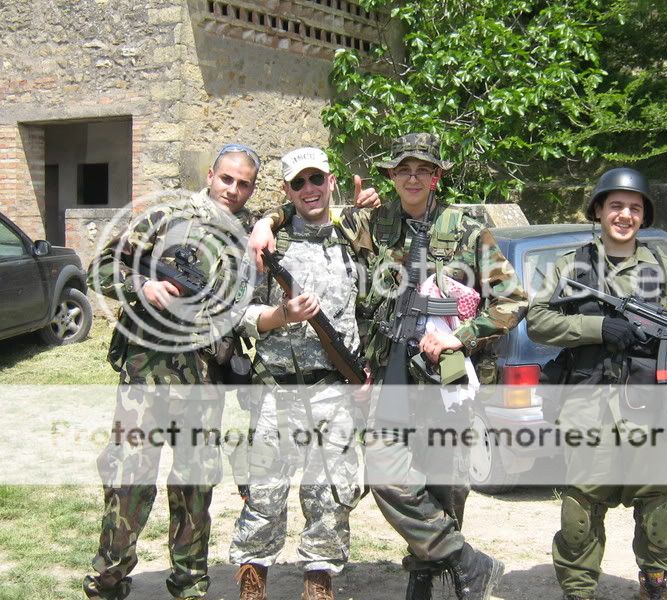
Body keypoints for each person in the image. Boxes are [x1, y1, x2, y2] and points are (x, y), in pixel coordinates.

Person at [249, 133, 528, 600]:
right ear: (393, 176)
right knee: (386, 474)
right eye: (403, 170)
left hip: (445, 374)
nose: (412, 178)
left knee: (445, 483)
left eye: (422, 170)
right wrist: (266, 221)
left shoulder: (466, 228)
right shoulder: (371, 222)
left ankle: (432, 577)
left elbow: (513, 300)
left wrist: (460, 336)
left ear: (436, 177)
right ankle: (465, 560)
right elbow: (310, 210)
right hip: (389, 371)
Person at [526, 167, 667, 600]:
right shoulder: (571, 266)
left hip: (649, 407)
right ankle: (578, 590)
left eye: (634, 207)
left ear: (644, 215)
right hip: (587, 406)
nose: (624, 215)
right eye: (615, 205)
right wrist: (597, 328)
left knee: (657, 505)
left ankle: (656, 582)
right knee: (580, 509)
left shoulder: (664, 270)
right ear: (598, 210)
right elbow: (537, 321)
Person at [83, 143, 261, 600]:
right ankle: (108, 580)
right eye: (226, 179)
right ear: (210, 175)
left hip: (204, 382)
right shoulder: (167, 216)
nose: (233, 190)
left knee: (195, 487)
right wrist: (142, 286)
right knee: (129, 481)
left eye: (244, 184)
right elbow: (99, 268)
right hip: (148, 376)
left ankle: (190, 584)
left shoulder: (248, 235)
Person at [229, 147, 370, 600]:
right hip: (276, 391)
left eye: (316, 179)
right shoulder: (269, 244)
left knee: (330, 498)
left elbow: (369, 308)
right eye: (298, 182)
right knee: (264, 497)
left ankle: (318, 587)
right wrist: (280, 316)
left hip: (333, 390)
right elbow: (237, 313)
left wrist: (365, 367)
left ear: (331, 181)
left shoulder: (354, 237)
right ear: (287, 190)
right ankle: (252, 588)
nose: (309, 189)